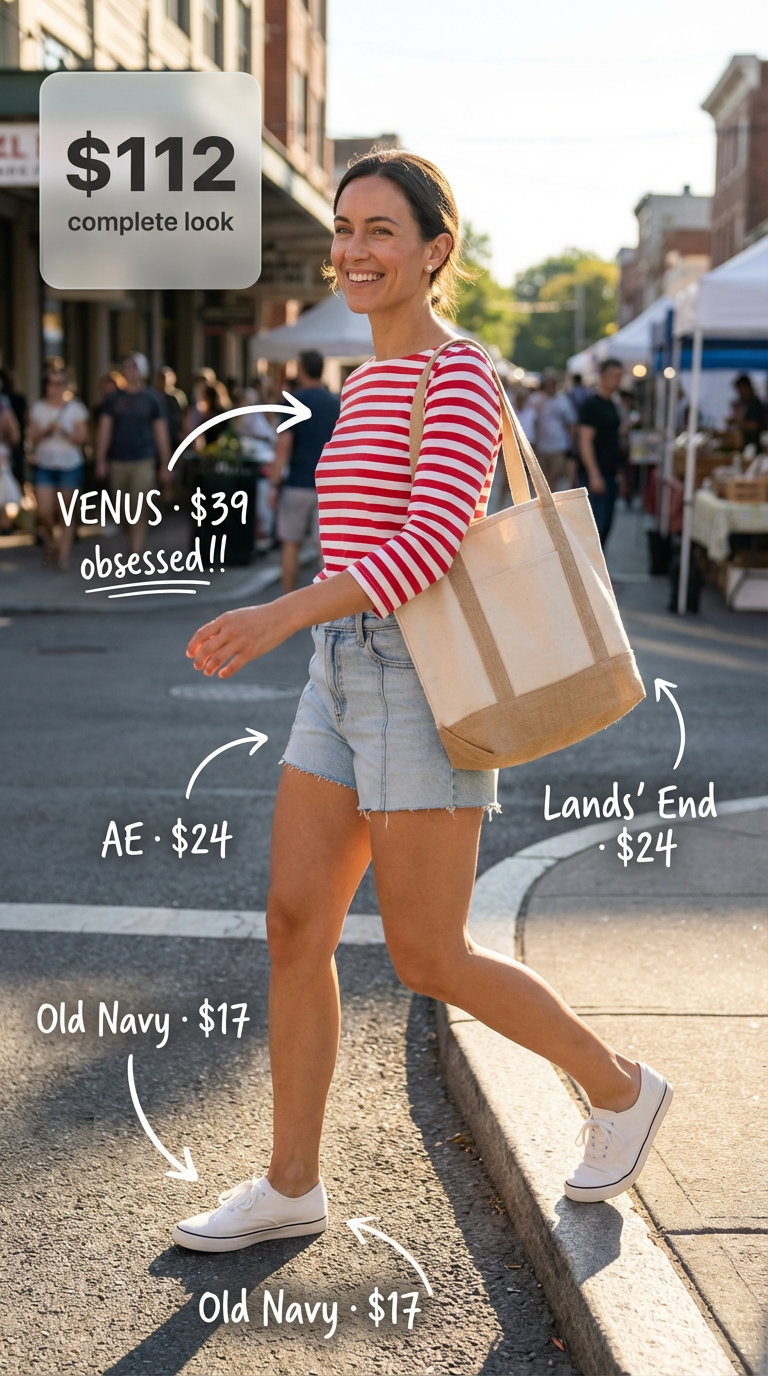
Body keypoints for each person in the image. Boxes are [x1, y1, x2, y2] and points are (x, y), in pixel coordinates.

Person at [174, 150, 672, 1253]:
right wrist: (312, 624)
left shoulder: (460, 370)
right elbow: (366, 532)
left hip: (420, 675)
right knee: (294, 924)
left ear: (436, 249)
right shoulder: (367, 378)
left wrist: (284, 608)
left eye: (381, 230)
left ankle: (621, 1086)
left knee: (429, 953)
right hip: (340, 678)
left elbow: (434, 543)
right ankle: (289, 1182)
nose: (353, 249)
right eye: (344, 229)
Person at [268, 351, 341, 592]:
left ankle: (286, 603)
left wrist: (273, 484)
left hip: (298, 483)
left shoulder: (292, 401)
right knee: (327, 551)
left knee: (291, 545)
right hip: (329, 486)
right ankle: (329, 609)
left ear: (301, 370)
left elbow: (283, 446)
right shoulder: (336, 402)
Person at [94, 352, 171, 556]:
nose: (131, 371)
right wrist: (100, 460)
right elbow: (105, 430)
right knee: (121, 510)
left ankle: (136, 551)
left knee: (139, 508)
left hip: (143, 459)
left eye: (135, 367)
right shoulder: (113, 399)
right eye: (127, 367)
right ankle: (130, 538)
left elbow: (160, 433)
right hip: (118, 459)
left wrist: (165, 464)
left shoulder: (152, 399)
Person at [27, 362, 89, 570]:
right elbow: (31, 438)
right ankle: (52, 542)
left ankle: (63, 557)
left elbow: (83, 437)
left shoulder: (76, 408)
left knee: (66, 512)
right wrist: (47, 429)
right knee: (43, 511)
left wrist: (65, 431)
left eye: (59, 383)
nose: (54, 388)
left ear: (66, 386)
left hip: (69, 465)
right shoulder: (38, 408)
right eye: (51, 383)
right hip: (45, 464)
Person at [577, 358, 624, 547]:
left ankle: (597, 571)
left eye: (620, 376)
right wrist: (594, 474)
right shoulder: (592, 405)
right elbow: (585, 441)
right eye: (614, 376)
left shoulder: (612, 404)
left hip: (611, 473)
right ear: (603, 376)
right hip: (596, 475)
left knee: (605, 529)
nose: (617, 380)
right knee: (595, 529)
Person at [533, 371, 575, 491]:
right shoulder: (538, 400)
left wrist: (571, 443)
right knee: (544, 477)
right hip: (542, 445)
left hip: (558, 445)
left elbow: (570, 422)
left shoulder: (563, 400)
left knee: (555, 475)